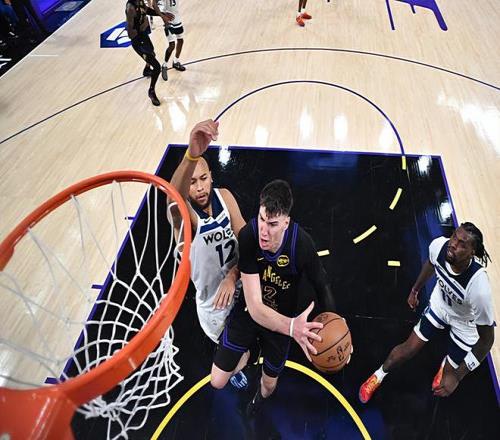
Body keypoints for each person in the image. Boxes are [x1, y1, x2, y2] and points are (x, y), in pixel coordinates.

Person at [210, 179, 336, 415]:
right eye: (261, 219)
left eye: (273, 224)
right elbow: (255, 307)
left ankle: (257, 400)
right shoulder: (249, 235)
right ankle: (249, 354)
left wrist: (335, 324)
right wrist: (293, 328)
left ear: (286, 222)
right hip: (254, 313)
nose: (264, 231)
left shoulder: (301, 244)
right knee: (217, 381)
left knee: (268, 387)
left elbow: (322, 285)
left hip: (281, 318)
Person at [359, 223, 495, 403]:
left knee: (447, 377)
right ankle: (379, 374)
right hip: (440, 305)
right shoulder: (439, 246)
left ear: (472, 253)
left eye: (462, 244)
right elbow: (431, 264)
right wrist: (415, 290)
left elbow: (487, 341)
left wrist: (457, 376)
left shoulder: (479, 289)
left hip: (465, 323)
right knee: (408, 348)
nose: (453, 244)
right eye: (454, 236)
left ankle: (446, 364)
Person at [168, 120, 246, 346]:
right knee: (236, 359)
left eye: (203, 179)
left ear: (211, 176)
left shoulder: (225, 197)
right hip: (215, 309)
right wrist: (191, 156)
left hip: (242, 288)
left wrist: (234, 275)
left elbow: (248, 243)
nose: (200, 188)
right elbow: (173, 200)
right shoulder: (185, 217)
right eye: (192, 182)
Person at [125, 0, 173, 106]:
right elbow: (130, 32)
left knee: (152, 53)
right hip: (137, 41)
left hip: (142, 35)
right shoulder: (130, 8)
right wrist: (141, 39)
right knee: (157, 67)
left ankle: (146, 70)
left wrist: (162, 14)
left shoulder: (139, 1)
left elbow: (147, 10)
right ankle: (151, 91)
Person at [153, 0, 186, 81]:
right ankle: (164, 65)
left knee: (181, 41)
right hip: (168, 19)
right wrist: (162, 15)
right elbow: (154, 4)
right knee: (172, 45)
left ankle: (176, 62)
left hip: (177, 18)